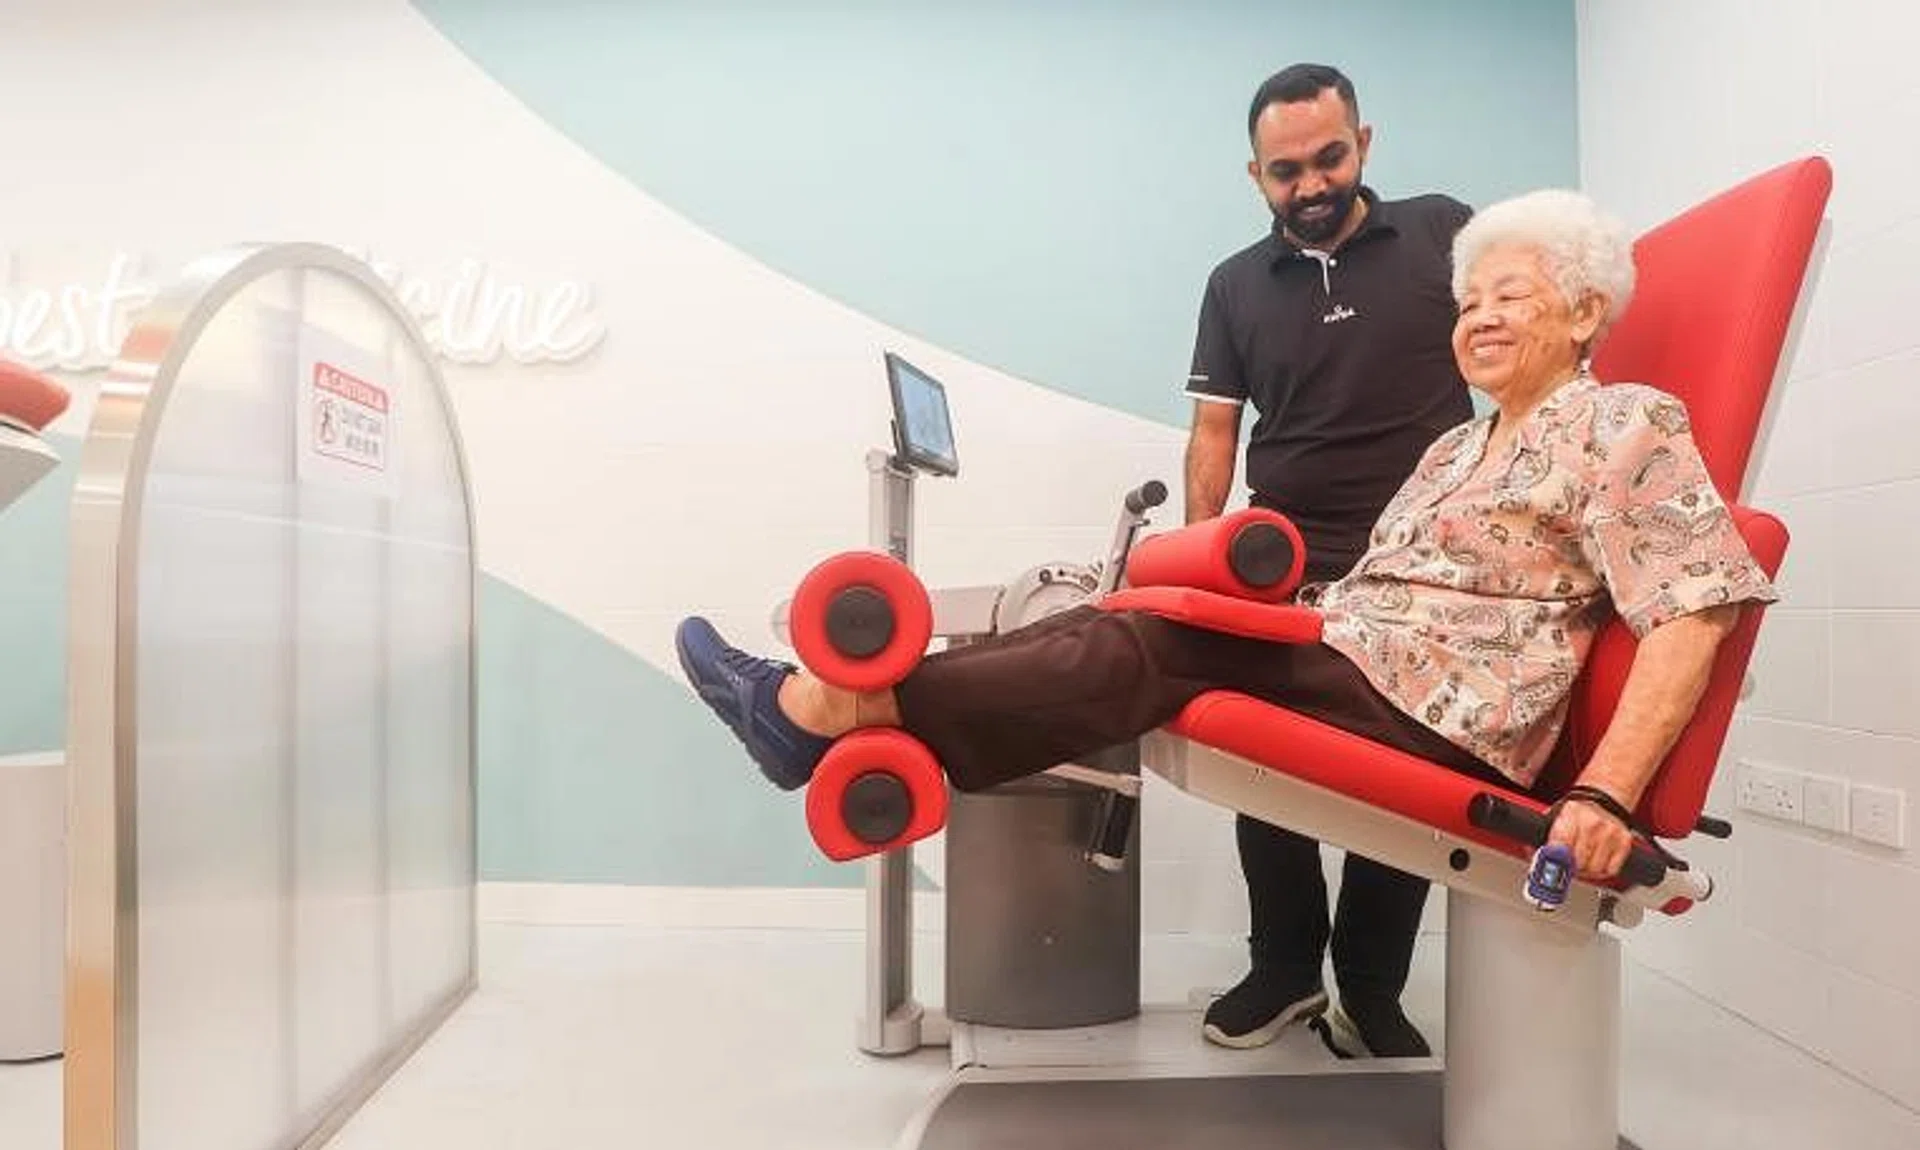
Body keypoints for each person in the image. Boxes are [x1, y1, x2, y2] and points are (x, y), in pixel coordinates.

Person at [674, 188, 1777, 1061]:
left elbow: (1695, 606)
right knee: (1133, 612)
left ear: (1586, 313)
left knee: (1156, 645)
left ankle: (825, 706)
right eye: (1470, 300)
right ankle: (853, 705)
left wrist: (1601, 795)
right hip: (1365, 656)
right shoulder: (1459, 447)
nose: (1480, 318)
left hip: (1450, 711)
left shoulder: (1625, 423)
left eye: (1514, 297)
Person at [1180, 63, 1476, 1056]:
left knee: (1405, 764)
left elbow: (1523, 360)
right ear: (1255, 175)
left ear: (1365, 143)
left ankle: (1370, 986)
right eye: (1284, 170)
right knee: (1263, 760)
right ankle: (1284, 971)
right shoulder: (1233, 284)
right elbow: (1214, 432)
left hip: (1430, 564)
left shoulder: (1445, 232)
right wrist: (1198, 556)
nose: (1310, 185)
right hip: (1283, 554)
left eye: (1329, 157)